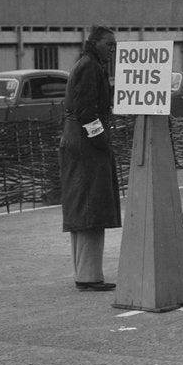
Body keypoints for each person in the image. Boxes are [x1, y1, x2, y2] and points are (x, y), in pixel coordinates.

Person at [59, 26, 122, 291]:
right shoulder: (91, 67)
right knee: (91, 209)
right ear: (95, 43)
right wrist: (101, 141)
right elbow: (86, 112)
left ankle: (85, 272)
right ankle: (89, 276)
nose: (113, 49)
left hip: (76, 141)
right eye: (109, 44)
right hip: (86, 145)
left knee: (82, 208)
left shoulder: (85, 63)